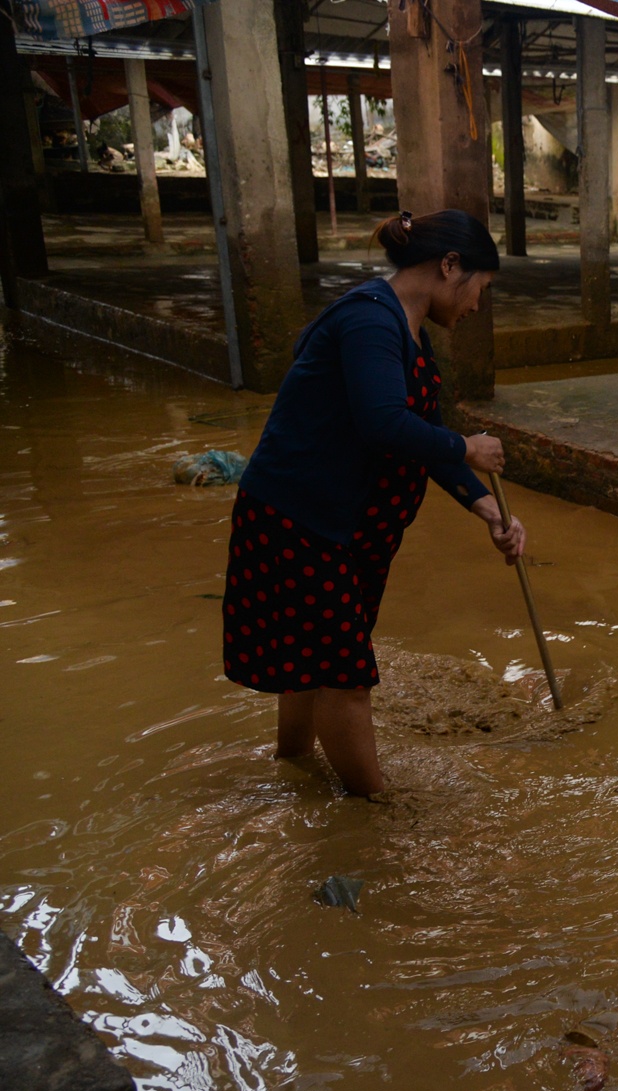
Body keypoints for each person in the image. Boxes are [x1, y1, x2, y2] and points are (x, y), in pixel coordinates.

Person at [220, 209, 524, 797]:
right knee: (343, 676)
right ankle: (374, 809)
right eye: (480, 290)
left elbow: (420, 431)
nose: (475, 306)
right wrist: (467, 446)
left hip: (341, 524)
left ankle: (294, 766)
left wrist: (486, 507)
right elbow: (385, 424)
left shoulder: (405, 329)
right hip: (302, 519)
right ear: (449, 265)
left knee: (311, 662)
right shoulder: (370, 321)